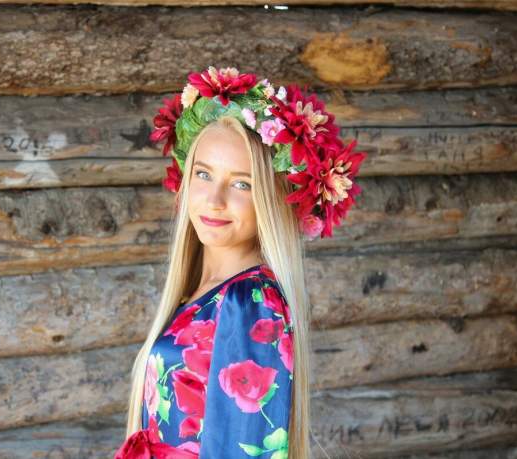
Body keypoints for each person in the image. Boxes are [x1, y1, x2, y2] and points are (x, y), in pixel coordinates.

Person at [114, 67, 366, 459]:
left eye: (241, 184)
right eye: (203, 174)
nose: (214, 200)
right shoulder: (203, 292)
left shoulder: (249, 301)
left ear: (271, 197)